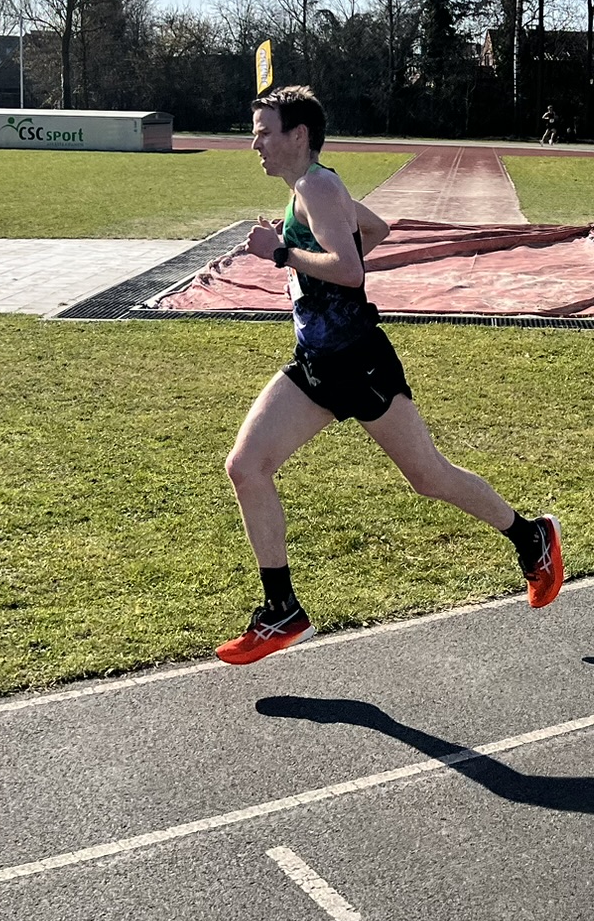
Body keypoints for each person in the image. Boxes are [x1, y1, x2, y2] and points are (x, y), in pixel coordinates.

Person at [214, 85, 563, 665]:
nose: (256, 144)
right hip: (318, 364)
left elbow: (350, 268)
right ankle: (282, 609)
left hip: (359, 362)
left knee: (428, 475)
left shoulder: (318, 187)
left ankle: (531, 538)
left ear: (298, 135)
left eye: (264, 133)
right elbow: (373, 231)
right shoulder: (311, 190)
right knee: (246, 466)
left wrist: (281, 254)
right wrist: (306, 253)